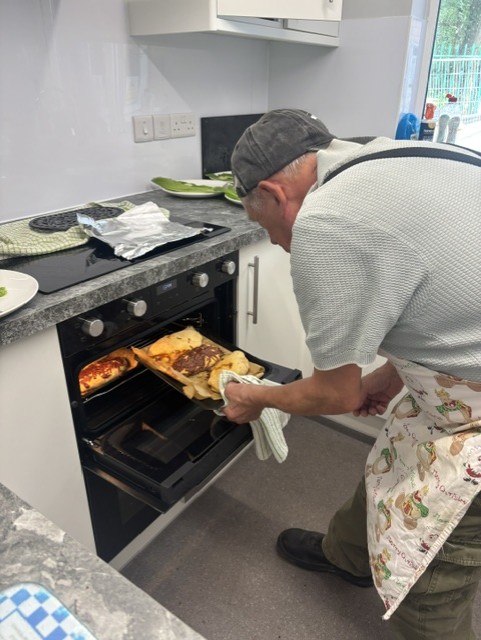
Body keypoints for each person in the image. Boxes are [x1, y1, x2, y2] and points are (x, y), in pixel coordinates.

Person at [223, 108, 481, 639]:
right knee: (392, 460)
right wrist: (392, 371)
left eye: (262, 225)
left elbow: (334, 393)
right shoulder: (393, 155)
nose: (272, 240)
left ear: (272, 194)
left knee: (432, 589)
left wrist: (256, 397)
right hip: (456, 385)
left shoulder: (327, 223)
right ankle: (347, 556)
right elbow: (448, 291)